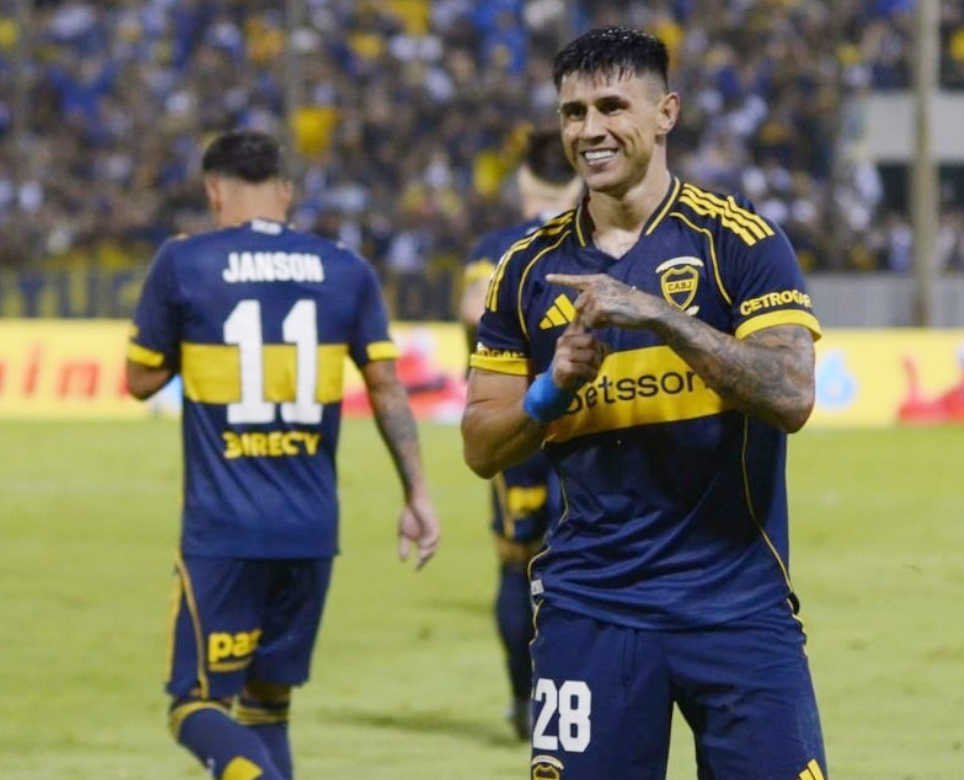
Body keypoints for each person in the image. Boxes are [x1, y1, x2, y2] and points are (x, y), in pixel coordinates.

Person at [461, 27, 827, 780]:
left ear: (666, 113)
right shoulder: (525, 271)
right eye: (573, 113)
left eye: (611, 107)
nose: (589, 130)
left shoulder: (741, 244)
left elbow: (791, 394)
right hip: (591, 609)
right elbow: (479, 445)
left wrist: (660, 316)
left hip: (735, 605)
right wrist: (549, 389)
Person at [126, 130, 440, 780]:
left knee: (195, 704)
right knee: (269, 705)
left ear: (214, 191)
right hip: (311, 530)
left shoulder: (185, 263)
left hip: (225, 531)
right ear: (287, 193)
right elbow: (385, 387)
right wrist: (417, 493)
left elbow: (140, 379)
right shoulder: (345, 267)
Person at [458, 128, 581, 739]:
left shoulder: (496, 248)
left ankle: (523, 704)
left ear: (524, 183)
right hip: (590, 427)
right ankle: (577, 708)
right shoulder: (594, 242)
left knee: (516, 563)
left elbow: (470, 313)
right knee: (584, 567)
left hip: (518, 426)